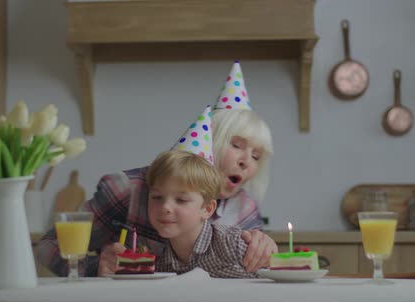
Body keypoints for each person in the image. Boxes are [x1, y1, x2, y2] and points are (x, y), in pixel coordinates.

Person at [36, 62, 276, 277]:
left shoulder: (245, 209)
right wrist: (96, 266)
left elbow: (259, 271)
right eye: (236, 145)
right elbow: (48, 247)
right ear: (212, 139)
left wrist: (265, 250)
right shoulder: (127, 190)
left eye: (256, 156)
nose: (247, 161)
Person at [133, 149, 257, 278]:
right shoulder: (159, 263)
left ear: (208, 209)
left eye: (181, 200)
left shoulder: (233, 246)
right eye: (157, 197)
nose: (165, 207)